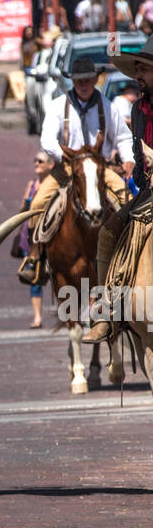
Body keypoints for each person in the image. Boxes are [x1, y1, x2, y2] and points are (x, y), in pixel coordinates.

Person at [32, 58, 132, 275]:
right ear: (73, 82)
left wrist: (128, 159)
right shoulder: (58, 106)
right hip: (68, 169)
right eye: (79, 81)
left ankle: (129, 255)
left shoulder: (108, 106)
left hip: (100, 169)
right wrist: (64, 155)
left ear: (96, 79)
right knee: (37, 204)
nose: (84, 85)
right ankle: (35, 258)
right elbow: (47, 139)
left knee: (128, 202)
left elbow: (123, 137)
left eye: (88, 80)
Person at [82, 37, 153, 343]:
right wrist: (142, 173)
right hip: (150, 193)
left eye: (144, 68)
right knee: (110, 229)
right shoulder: (138, 110)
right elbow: (138, 159)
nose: (138, 74)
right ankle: (107, 310)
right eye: (137, 69)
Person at [17, 152, 54, 327]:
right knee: (33, 277)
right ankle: (37, 317)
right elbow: (22, 210)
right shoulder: (31, 184)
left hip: (49, 238)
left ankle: (70, 313)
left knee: (58, 276)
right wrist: (26, 202)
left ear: (51, 165)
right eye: (36, 160)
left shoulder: (54, 186)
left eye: (41, 161)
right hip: (30, 238)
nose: (37, 163)